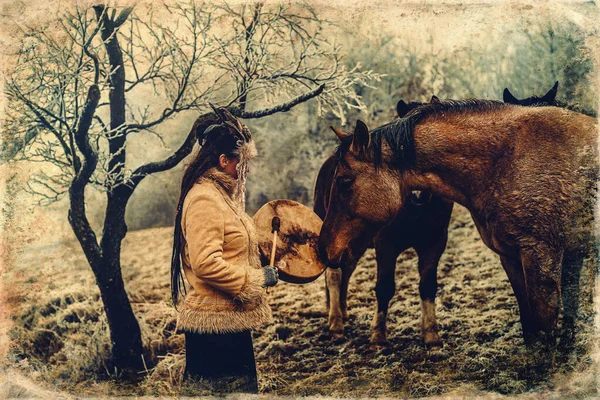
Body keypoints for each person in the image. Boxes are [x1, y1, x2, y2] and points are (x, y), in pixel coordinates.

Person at [170, 107, 279, 394]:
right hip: (214, 331)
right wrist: (255, 280)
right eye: (242, 161)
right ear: (223, 160)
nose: (246, 168)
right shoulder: (205, 199)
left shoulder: (219, 195)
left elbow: (230, 249)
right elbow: (206, 263)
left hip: (228, 321)